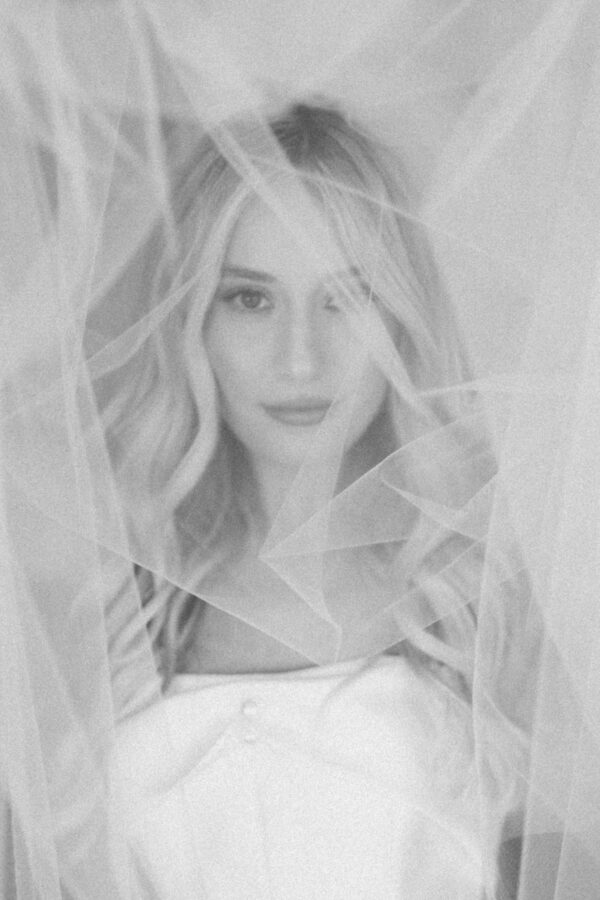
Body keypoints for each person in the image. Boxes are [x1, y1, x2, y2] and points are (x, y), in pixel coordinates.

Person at [104, 102, 522, 898]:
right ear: (190, 319)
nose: (301, 360)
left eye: (348, 297)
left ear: (402, 319)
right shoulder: (119, 602)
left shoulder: (481, 597)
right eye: (250, 299)